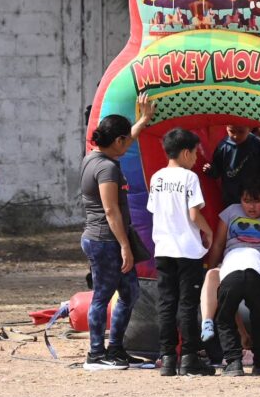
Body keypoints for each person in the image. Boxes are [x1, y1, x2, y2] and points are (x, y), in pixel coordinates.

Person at [78, 96, 155, 371]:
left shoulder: (96, 156)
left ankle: (116, 349)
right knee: (102, 295)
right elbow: (111, 211)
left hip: (106, 239)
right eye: (125, 140)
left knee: (129, 292)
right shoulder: (106, 168)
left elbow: (125, 139)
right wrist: (125, 246)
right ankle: (96, 354)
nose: (127, 144)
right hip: (104, 240)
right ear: (117, 141)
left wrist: (143, 121)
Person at [206, 180, 260, 376]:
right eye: (246, 201)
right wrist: (211, 266)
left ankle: (234, 361)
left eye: (256, 201)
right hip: (233, 264)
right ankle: (259, 361)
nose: (251, 206)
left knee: (229, 313)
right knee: (248, 310)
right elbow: (219, 245)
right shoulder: (231, 212)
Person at [147, 127, 215, 376]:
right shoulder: (189, 178)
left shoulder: (157, 178)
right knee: (187, 304)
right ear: (186, 153)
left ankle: (167, 358)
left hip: (163, 249)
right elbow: (194, 214)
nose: (197, 158)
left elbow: (155, 210)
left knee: (166, 303)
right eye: (196, 153)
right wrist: (208, 232)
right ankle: (189, 356)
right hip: (187, 250)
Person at [210, 123, 260, 208]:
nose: (235, 136)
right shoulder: (223, 146)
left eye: (241, 132)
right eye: (232, 131)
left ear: (249, 128)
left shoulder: (257, 143)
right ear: (226, 127)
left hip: (254, 194)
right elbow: (217, 169)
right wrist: (210, 170)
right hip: (231, 196)